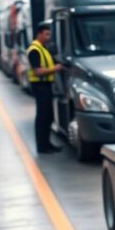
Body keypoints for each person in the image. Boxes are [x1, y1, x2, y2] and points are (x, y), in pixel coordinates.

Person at [27, 22, 64, 154]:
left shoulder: (43, 48)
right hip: (40, 86)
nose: (48, 37)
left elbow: (52, 61)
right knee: (42, 117)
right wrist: (56, 69)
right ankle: (41, 147)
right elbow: (37, 71)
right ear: (40, 33)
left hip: (46, 86)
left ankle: (47, 143)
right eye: (46, 34)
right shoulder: (34, 50)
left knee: (48, 116)